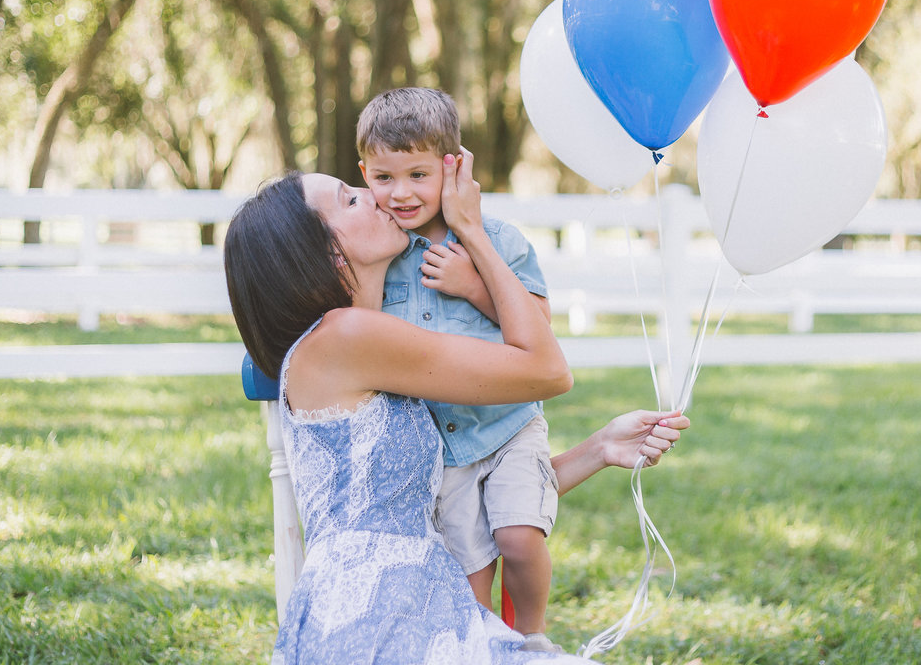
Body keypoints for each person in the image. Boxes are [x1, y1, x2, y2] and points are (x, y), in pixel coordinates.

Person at [223, 151, 688, 665]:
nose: (375, 196)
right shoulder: (346, 337)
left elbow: (478, 490)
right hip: (375, 621)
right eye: (350, 199)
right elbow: (549, 369)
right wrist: (474, 234)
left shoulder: (363, 350)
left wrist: (600, 447)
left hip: (425, 611)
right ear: (327, 254)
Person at [355, 87, 562, 651]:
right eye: (383, 178)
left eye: (418, 175)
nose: (401, 193)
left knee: (518, 539)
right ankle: (481, 651)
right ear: (364, 174)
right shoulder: (373, 249)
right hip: (436, 449)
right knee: (467, 586)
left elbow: (541, 330)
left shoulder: (498, 242)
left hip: (506, 424)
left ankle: (533, 639)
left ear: (453, 167)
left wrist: (474, 282)